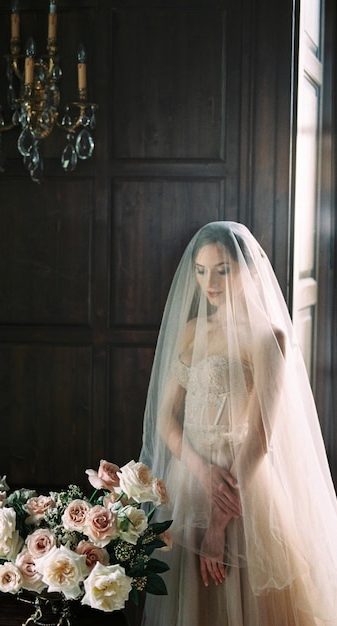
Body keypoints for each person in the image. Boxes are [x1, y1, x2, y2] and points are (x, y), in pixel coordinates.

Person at [139, 222, 337, 625]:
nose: (208, 282)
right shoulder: (193, 331)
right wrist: (201, 471)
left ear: (246, 270)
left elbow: (262, 438)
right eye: (200, 270)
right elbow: (164, 419)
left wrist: (218, 523)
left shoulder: (268, 338)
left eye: (222, 270)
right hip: (191, 479)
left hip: (243, 481)